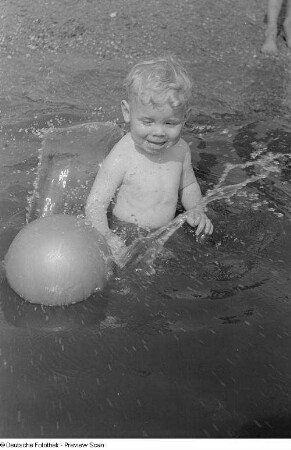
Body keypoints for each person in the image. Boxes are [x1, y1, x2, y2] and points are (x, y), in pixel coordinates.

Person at [85, 56, 213, 265]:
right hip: (125, 233)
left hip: (165, 232)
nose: (158, 133)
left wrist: (197, 209)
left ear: (185, 117)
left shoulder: (180, 149)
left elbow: (188, 185)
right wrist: (107, 237)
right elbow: (95, 204)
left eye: (170, 123)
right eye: (147, 121)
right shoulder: (122, 155)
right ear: (127, 113)